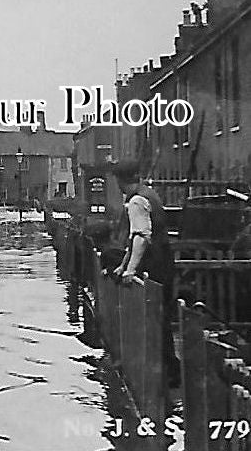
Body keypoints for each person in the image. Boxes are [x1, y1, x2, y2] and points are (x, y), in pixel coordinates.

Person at [110, 161, 180, 387]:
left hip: (155, 266)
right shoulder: (148, 194)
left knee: (156, 319)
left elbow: (141, 238)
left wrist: (130, 270)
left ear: (120, 181)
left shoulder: (137, 201)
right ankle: (168, 371)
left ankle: (169, 374)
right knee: (160, 317)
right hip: (163, 261)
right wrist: (123, 264)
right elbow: (134, 239)